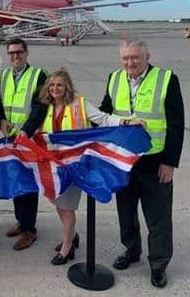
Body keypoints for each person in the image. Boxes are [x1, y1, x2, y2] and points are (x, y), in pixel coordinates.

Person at [99, 37, 184, 288]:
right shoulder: (115, 78)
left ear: (147, 56)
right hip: (123, 161)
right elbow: (105, 113)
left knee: (158, 217)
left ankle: (158, 264)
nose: (130, 62)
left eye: (135, 57)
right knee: (126, 212)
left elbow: (176, 124)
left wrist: (169, 162)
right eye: (125, 58)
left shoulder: (166, 79)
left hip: (154, 162)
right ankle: (131, 251)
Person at [38, 68, 144, 265]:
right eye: (52, 85)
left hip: (75, 166)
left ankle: (66, 248)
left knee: (67, 207)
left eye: (59, 85)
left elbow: (103, 118)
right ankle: (73, 236)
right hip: (53, 166)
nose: (55, 88)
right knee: (58, 205)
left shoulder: (79, 104)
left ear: (67, 86)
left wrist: (125, 122)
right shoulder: (46, 106)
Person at [0, 38, 48, 250]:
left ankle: (30, 230)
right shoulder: (5, 75)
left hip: (29, 138)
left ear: (26, 53)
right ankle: (21, 221)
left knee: (28, 184)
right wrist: (2, 120)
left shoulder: (38, 75)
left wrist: (26, 131)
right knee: (15, 179)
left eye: (19, 52)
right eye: (11, 53)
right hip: (10, 137)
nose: (15, 56)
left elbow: (40, 107)